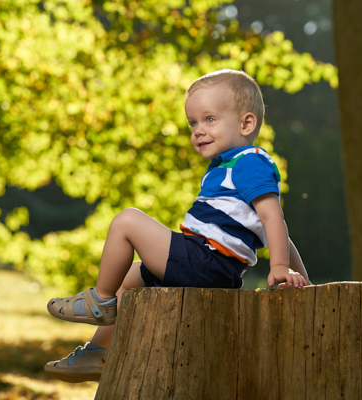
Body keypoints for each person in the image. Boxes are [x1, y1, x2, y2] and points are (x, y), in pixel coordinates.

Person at [44, 69, 311, 383]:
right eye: (193, 123)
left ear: (246, 123)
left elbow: (273, 219)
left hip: (206, 263)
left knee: (128, 220)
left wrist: (279, 265)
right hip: (206, 265)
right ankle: (97, 353)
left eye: (210, 119)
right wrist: (304, 281)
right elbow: (276, 230)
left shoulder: (249, 162)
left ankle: (99, 300)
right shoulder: (226, 166)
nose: (198, 130)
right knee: (131, 276)